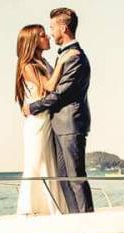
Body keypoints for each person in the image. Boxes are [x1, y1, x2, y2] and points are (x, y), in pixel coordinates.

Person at [27, 7, 94, 213]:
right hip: (58, 124)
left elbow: (61, 94)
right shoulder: (65, 55)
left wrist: (33, 107)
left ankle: (86, 219)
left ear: (64, 28)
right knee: (63, 178)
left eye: (52, 27)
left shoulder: (75, 57)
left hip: (70, 124)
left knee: (75, 177)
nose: (51, 32)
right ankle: (75, 220)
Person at [13, 25, 80, 215]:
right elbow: (50, 86)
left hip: (46, 118)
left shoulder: (41, 61)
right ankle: (31, 209)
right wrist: (62, 61)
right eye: (43, 35)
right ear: (33, 41)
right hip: (37, 121)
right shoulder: (28, 66)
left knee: (49, 162)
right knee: (37, 161)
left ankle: (53, 207)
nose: (48, 37)